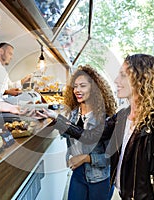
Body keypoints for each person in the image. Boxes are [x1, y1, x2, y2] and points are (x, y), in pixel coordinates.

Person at [43, 54, 154, 200]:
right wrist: (56, 118)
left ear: (142, 79)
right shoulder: (122, 116)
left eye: (123, 75)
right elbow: (89, 136)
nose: (116, 80)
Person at [47, 65, 117, 200]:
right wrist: (48, 120)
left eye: (83, 86)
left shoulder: (106, 119)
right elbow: (68, 133)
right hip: (78, 174)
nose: (77, 90)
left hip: (99, 179)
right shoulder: (72, 114)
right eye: (75, 86)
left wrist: (86, 158)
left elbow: (112, 157)